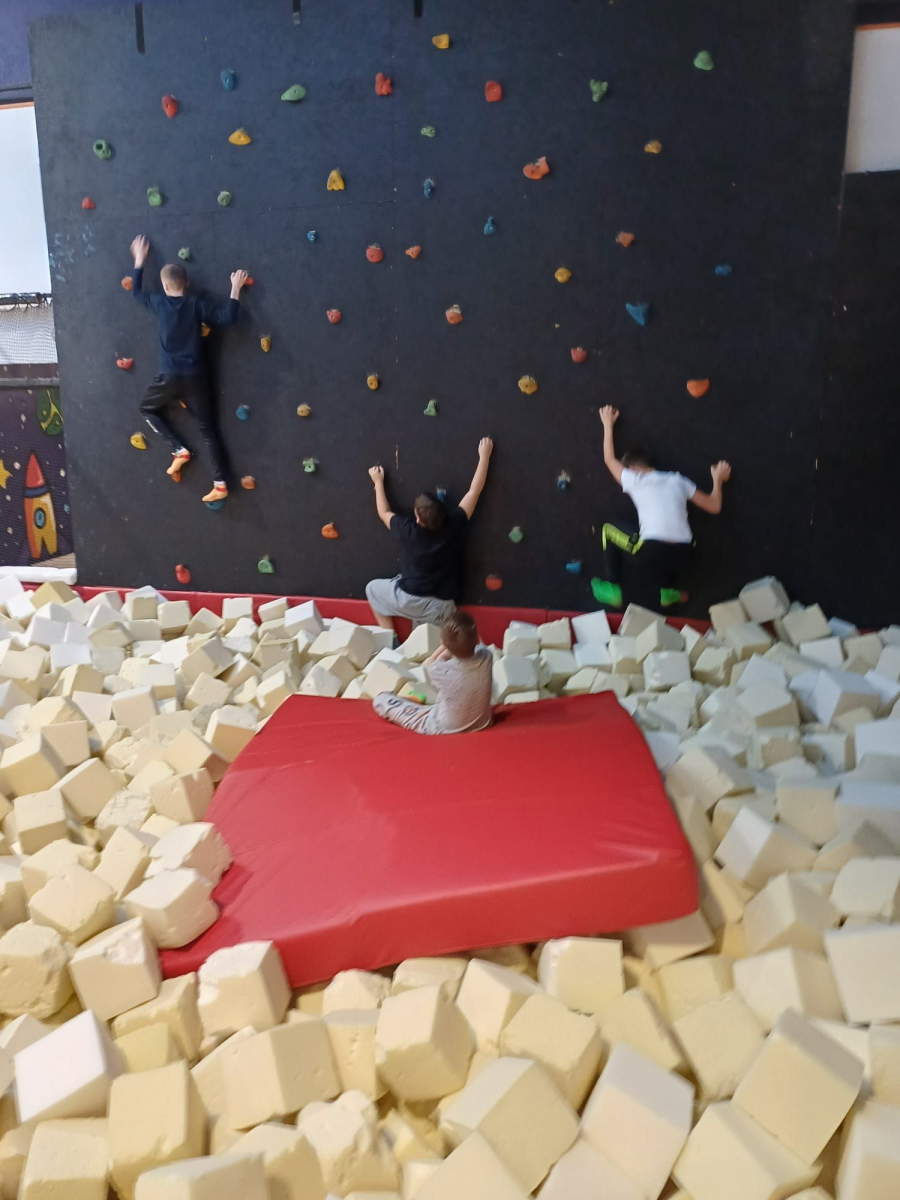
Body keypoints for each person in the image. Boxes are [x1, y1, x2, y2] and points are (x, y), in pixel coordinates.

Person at [129, 234, 248, 504]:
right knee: (208, 429)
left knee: (147, 408)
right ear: (188, 284)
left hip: (170, 378)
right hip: (196, 379)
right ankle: (220, 483)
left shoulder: (159, 303)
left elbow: (136, 293)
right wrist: (235, 288)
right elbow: (227, 317)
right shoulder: (195, 305)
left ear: (164, 286)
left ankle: (179, 449)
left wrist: (139, 260)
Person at [592, 405, 731, 610]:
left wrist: (607, 424)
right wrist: (717, 479)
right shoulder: (678, 480)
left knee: (607, 527)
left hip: (651, 552)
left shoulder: (635, 479)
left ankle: (613, 586)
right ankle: (667, 590)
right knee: (662, 544)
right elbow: (715, 506)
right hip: (685, 553)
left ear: (632, 469)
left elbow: (609, 459)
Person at [366, 437, 493, 633]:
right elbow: (473, 492)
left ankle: (389, 639)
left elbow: (384, 512)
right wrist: (485, 456)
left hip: (410, 600)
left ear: (418, 519)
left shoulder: (408, 530)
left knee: (372, 589)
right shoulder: (454, 524)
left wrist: (378, 482)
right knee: (426, 641)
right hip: (442, 606)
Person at [373, 610, 493, 735]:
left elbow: (432, 661)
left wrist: (446, 645)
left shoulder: (438, 669)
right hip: (482, 723)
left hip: (442, 728)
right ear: (476, 639)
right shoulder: (487, 657)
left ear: (442, 643)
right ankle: (418, 703)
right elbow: (480, 645)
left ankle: (412, 700)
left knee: (381, 699)